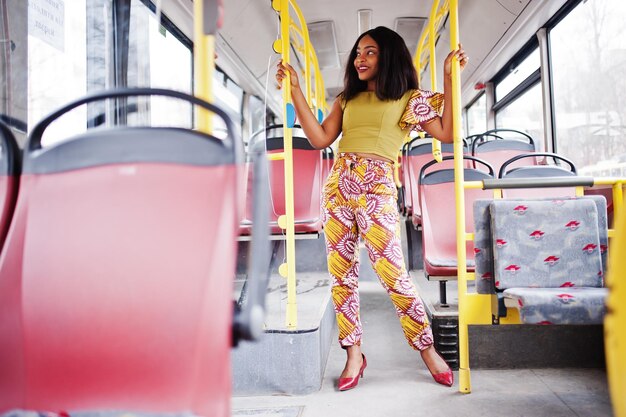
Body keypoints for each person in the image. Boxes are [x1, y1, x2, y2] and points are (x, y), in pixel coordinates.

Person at [276, 26, 468, 391]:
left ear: (389, 56)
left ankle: (426, 348)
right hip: (338, 187)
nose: (359, 59)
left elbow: (447, 133)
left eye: (370, 52)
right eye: (357, 52)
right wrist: (296, 91)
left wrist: (447, 77)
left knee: (393, 274)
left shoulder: (409, 99)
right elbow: (319, 139)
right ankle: (353, 354)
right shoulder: (346, 99)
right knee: (342, 275)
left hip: (377, 185)